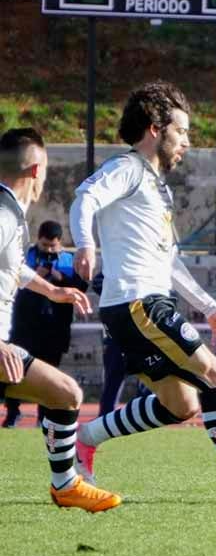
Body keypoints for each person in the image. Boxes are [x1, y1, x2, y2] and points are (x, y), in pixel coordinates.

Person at [69, 81, 216, 506]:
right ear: (156, 129)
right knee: (215, 376)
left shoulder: (156, 186)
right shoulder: (128, 168)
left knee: (182, 405)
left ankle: (85, 438)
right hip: (139, 303)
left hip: (142, 304)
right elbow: (84, 197)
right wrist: (85, 244)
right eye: (182, 132)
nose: (187, 143)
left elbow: (170, 260)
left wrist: (210, 309)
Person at [0, 128, 121, 511]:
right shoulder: (3, 216)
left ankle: (65, 484)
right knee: (67, 393)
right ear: (36, 170)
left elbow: (13, 267)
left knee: (62, 393)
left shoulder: (9, 214)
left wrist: (52, 291)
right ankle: (66, 484)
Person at [2, 221, 87, 428]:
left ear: (60, 243)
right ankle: (13, 413)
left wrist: (61, 280)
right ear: (38, 240)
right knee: (15, 368)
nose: (48, 250)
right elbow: (11, 281)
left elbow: (81, 286)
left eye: (53, 246)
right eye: (44, 245)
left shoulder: (68, 259)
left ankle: (44, 417)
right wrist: (37, 276)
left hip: (55, 328)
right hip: (24, 325)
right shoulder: (25, 256)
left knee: (49, 371)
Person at [91, 270, 152, 417]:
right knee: (112, 381)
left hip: (145, 337)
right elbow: (97, 283)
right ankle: (105, 418)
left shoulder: (151, 267)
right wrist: (123, 293)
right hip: (117, 337)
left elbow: (167, 294)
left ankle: (143, 417)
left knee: (149, 381)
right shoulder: (114, 265)